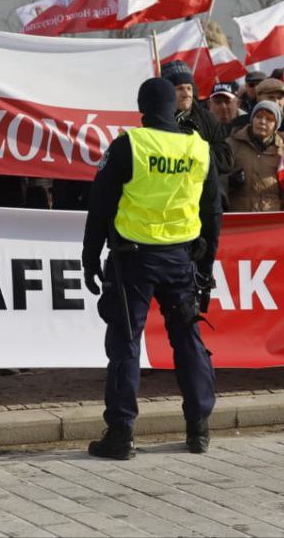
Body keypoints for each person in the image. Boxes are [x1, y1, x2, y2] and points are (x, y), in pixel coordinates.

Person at [80, 77, 221, 459]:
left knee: (126, 343)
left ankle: (121, 434)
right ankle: (199, 428)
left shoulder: (130, 145)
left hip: (134, 260)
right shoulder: (198, 148)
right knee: (188, 340)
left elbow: (100, 205)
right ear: (174, 105)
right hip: (181, 259)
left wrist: (89, 256)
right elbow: (212, 212)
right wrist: (207, 265)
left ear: (142, 107)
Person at [160, 60, 232, 179]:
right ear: (167, 92)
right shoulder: (159, 120)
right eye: (179, 89)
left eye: (189, 88)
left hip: (202, 193)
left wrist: (194, 149)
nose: (186, 94)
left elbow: (226, 160)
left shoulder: (207, 118)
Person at [226, 101, 284, 212]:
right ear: (252, 119)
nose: (263, 122)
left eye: (269, 119)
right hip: (237, 217)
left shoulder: (283, 153)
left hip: (269, 221)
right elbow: (215, 181)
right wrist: (229, 181)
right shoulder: (231, 144)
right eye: (258, 117)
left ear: (276, 125)